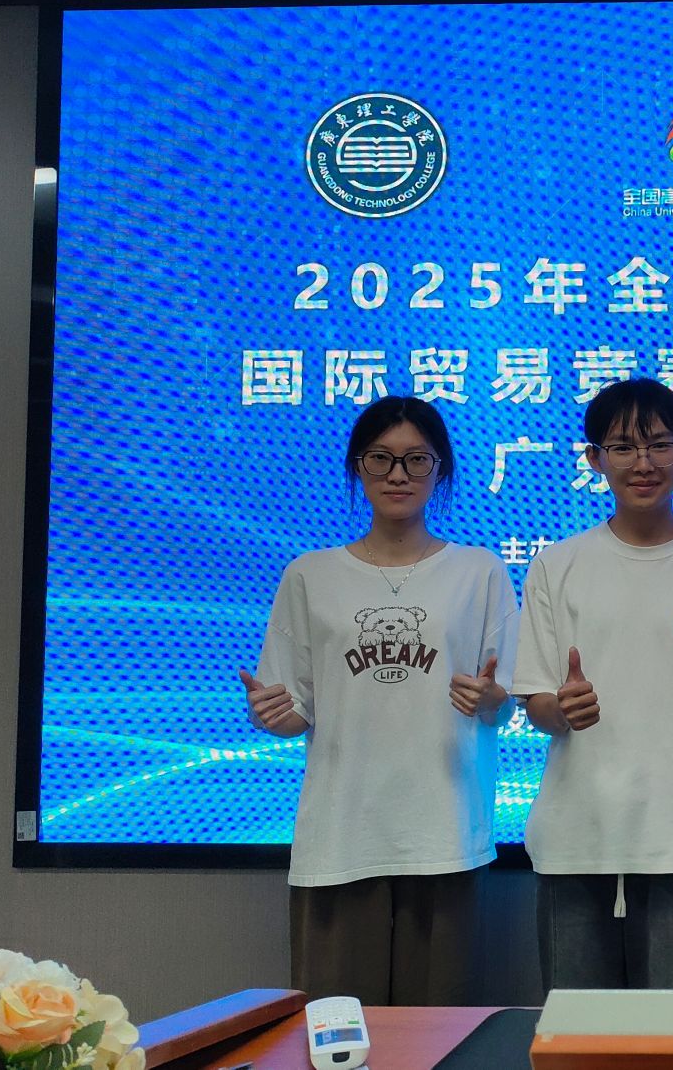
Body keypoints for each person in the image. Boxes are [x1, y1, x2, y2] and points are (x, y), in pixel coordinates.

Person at [242, 395, 516, 1006]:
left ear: (440, 470)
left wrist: (493, 696)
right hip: (342, 836)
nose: (398, 475)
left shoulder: (480, 571)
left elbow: (504, 705)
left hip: (443, 834)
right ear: (356, 468)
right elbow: (294, 711)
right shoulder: (310, 574)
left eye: (417, 459)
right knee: (340, 1035)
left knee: (438, 1033)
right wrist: (273, 717)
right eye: (380, 459)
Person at [510, 377, 673, 990]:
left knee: (672, 1029)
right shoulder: (557, 565)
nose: (643, 464)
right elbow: (535, 699)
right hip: (576, 833)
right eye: (622, 447)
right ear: (594, 459)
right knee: (577, 1026)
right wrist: (561, 709)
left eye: (659, 445)